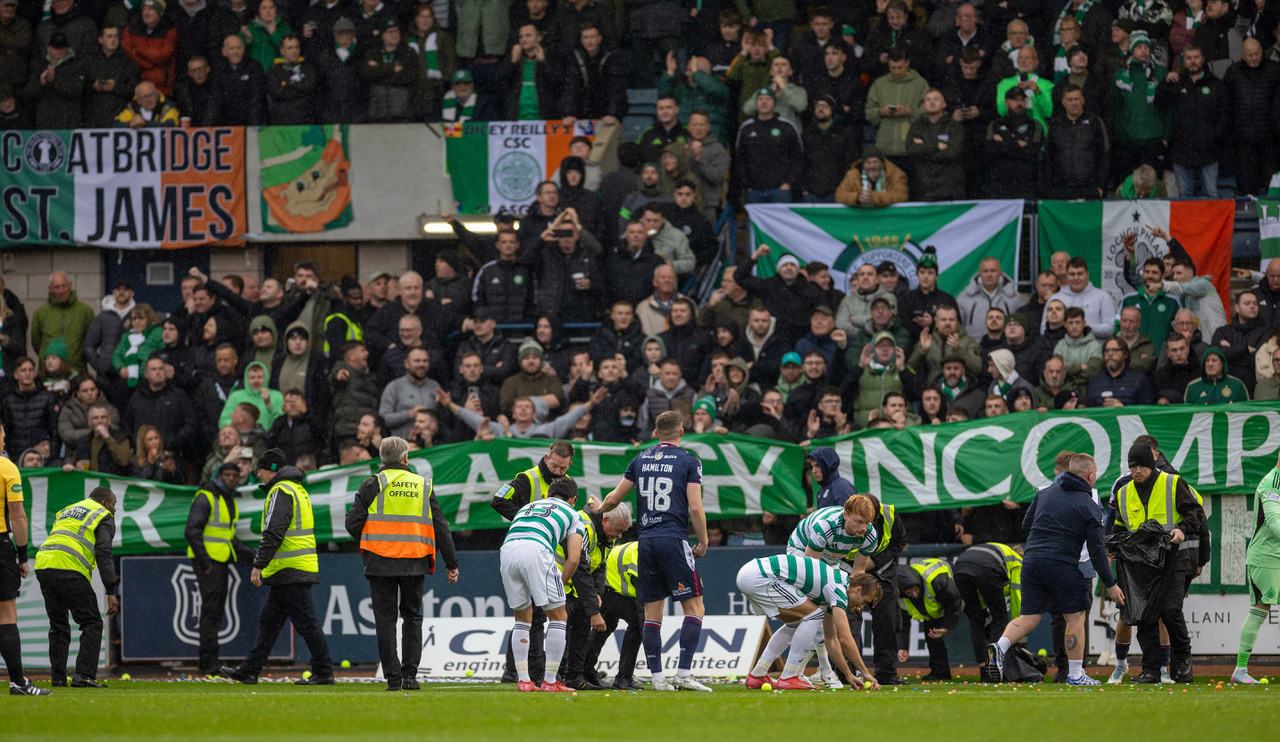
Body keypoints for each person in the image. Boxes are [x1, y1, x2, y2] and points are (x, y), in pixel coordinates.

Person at [591, 410, 712, 692]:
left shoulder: (641, 458)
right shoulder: (689, 461)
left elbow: (613, 498)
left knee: (652, 612)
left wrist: (599, 510)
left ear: (655, 434)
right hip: (673, 538)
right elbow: (695, 506)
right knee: (695, 608)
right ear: (682, 432)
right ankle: (683, 673)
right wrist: (703, 541)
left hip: (646, 542)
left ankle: (658, 678)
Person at [985, 454, 1123, 685]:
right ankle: (1076, 674)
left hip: (1030, 562)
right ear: (1090, 475)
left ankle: (1000, 646)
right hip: (1061, 563)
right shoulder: (1089, 505)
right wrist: (1111, 583)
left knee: (1029, 617)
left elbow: (1026, 525)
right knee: (1075, 617)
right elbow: (1098, 552)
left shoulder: (1044, 493)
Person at [346, 437, 457, 691]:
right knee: (412, 618)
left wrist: (373, 540)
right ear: (406, 458)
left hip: (380, 561)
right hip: (414, 561)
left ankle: (393, 679)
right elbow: (441, 527)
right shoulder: (423, 485)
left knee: (385, 620)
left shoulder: (372, 484)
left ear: (382, 459)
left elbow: (352, 524)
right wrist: (451, 563)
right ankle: (410, 675)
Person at [221, 449, 333, 685]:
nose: (257, 474)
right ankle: (250, 670)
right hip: (292, 568)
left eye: (260, 469)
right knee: (269, 623)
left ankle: (323, 672)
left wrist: (258, 564)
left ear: (271, 470)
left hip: (289, 569)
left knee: (306, 624)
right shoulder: (296, 489)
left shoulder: (280, 491)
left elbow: (274, 531)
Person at [1107, 442, 1205, 683]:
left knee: (1171, 611)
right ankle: (1150, 669)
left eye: (1142, 466)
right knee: (1145, 617)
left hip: (1173, 559)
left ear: (1151, 465)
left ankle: (1182, 663)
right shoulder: (1123, 492)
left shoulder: (1173, 482)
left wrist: (1183, 529)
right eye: (1133, 466)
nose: (1137, 471)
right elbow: (1119, 526)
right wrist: (1113, 545)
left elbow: (1196, 513)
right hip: (1140, 566)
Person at [779, 494, 881, 688]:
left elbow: (858, 573)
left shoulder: (870, 535)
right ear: (846, 515)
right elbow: (811, 571)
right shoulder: (824, 527)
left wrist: (853, 597)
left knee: (828, 613)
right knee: (817, 612)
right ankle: (824, 670)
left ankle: (816, 671)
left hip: (831, 559)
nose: (863, 528)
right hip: (802, 552)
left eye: (867, 523)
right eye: (858, 522)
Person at [740, 557, 882, 691]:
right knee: (815, 615)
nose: (860, 608)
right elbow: (845, 638)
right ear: (858, 589)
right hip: (760, 576)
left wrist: (848, 674)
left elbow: (831, 640)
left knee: (796, 622)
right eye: (864, 602)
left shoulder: (834, 586)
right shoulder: (838, 589)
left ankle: (758, 675)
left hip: (750, 573)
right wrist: (865, 672)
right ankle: (789, 676)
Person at [499, 476, 583, 692]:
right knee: (558, 617)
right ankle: (550, 681)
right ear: (573, 498)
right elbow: (573, 559)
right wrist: (560, 584)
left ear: (548, 494)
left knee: (522, 620)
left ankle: (524, 681)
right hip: (536, 549)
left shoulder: (528, 506)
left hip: (507, 551)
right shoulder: (573, 514)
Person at [33, 486, 119, 689]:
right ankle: (84, 676)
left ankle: (58, 679)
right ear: (105, 503)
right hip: (69, 567)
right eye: (114, 504)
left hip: (44, 564)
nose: (115, 510)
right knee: (92, 622)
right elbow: (104, 551)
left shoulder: (66, 510)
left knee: (58, 626)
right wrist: (111, 590)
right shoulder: (103, 515)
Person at [185, 462, 255, 675]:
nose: (232, 479)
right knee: (211, 612)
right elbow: (191, 531)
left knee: (213, 612)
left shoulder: (226, 499)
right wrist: (205, 563)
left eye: (235, 475)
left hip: (219, 561)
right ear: (219, 475)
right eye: (227, 475)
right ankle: (208, 661)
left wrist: (255, 555)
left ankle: (209, 660)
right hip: (209, 563)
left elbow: (228, 538)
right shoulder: (206, 496)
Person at [0, 421, 49, 695]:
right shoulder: (6, 467)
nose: (5, 443)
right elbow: (17, 514)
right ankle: (18, 682)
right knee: (6, 615)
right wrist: (22, 556)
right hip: (0, 543)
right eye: (3, 437)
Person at [1233, 450, 1280, 683]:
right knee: (1260, 610)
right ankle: (1240, 670)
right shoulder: (1271, 483)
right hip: (1267, 558)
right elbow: (1274, 523)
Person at [1155, 44, 1227, 198]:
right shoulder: (1176, 84)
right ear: (1183, 61)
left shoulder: (1216, 85)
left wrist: (1214, 136)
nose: (1192, 61)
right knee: (1185, 198)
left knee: (1211, 196)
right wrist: (1165, 83)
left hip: (1209, 152)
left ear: (1202, 59)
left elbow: (1225, 115)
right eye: (1188, 58)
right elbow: (1159, 103)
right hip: (1182, 152)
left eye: (1196, 57)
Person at [954, 542, 1022, 667]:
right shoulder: (1019, 562)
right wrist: (1018, 628)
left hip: (960, 567)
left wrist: (983, 614)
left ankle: (983, 666)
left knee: (976, 620)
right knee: (1000, 619)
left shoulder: (999, 550)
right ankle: (994, 665)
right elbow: (1017, 598)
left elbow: (980, 594)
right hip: (986, 568)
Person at [896, 557, 964, 681]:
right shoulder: (901, 597)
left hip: (960, 586)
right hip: (934, 609)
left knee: (979, 623)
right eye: (909, 593)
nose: (914, 595)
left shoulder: (936, 580)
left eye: (916, 590)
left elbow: (954, 600)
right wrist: (902, 647)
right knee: (932, 633)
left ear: (919, 584)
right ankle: (940, 673)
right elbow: (903, 623)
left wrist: (946, 626)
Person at [735, 87, 803, 204]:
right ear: (756, 103)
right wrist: (747, 185)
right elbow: (739, 159)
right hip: (754, 191)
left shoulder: (786, 126)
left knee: (781, 222)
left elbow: (798, 157)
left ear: (774, 103)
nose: (764, 102)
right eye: (760, 99)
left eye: (768, 99)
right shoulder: (747, 128)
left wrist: (789, 183)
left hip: (781, 190)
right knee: (755, 223)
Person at [1043, 84, 1109, 199]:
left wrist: (1101, 186)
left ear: (1082, 100)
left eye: (1077, 99)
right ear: (1063, 102)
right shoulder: (1055, 125)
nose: (1074, 103)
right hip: (1061, 189)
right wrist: (1049, 188)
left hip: (1089, 188)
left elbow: (1104, 155)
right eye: (1070, 100)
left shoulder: (1095, 122)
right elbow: (1049, 157)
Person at [905, 88, 966, 201]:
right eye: (928, 99)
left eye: (936, 99)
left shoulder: (954, 126)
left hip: (950, 186)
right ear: (924, 105)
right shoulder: (916, 127)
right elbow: (912, 150)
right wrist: (936, 146)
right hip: (924, 186)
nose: (932, 102)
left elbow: (953, 153)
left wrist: (924, 150)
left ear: (944, 104)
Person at [865, 48, 927, 157]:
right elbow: (868, 113)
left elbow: (929, 112)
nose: (896, 72)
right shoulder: (879, 84)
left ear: (907, 63)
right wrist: (881, 112)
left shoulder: (920, 84)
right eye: (892, 68)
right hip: (885, 147)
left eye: (900, 67)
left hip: (912, 148)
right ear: (888, 63)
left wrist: (909, 111)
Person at [1046, 257, 1116, 339]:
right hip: (1062, 350)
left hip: (1093, 350)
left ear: (1087, 275)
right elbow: (1044, 328)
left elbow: (1111, 329)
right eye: (1072, 274)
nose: (1076, 278)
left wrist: (1086, 328)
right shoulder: (1056, 298)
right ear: (1067, 276)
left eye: (1080, 274)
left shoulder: (1102, 296)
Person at [833, 146, 909, 207]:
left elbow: (902, 195)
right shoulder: (853, 175)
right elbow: (839, 195)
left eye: (875, 162)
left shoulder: (896, 173)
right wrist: (857, 197)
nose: (872, 166)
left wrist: (873, 197)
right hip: (861, 218)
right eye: (868, 162)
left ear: (882, 163)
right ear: (863, 165)